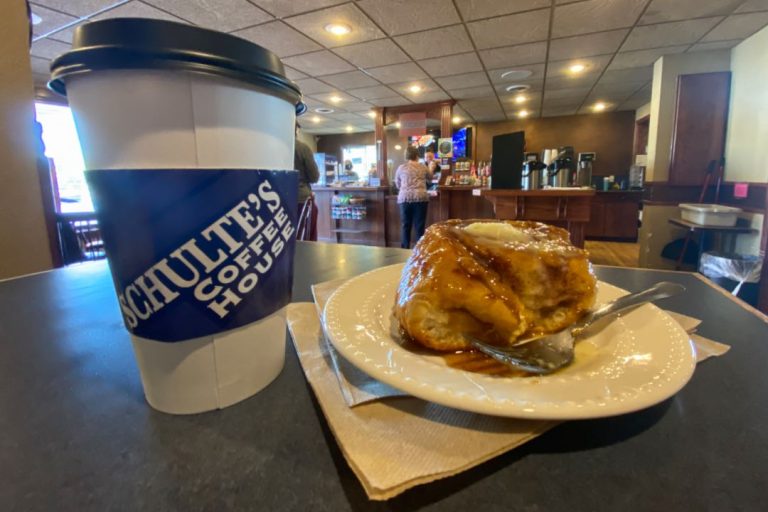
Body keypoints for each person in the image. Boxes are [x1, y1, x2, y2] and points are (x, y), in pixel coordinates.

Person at [395, 146, 433, 249]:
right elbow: (430, 178)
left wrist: (406, 188)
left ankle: (404, 249)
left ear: (406, 156)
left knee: (405, 225)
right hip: (420, 198)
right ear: (417, 155)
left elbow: (397, 184)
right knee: (419, 226)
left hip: (405, 199)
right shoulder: (422, 167)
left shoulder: (401, 168)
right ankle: (418, 251)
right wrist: (431, 166)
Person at [294, 124, 320, 241]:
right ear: (295, 130)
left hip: (275, 200)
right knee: (306, 237)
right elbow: (314, 177)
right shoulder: (302, 148)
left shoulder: (268, 147)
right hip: (301, 199)